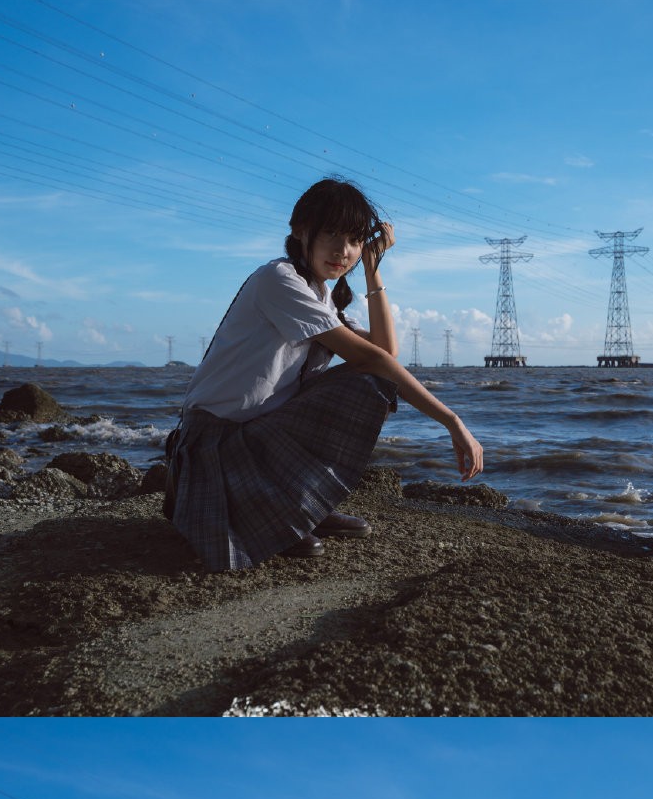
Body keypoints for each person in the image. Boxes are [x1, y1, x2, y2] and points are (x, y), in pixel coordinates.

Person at [164, 176, 483, 571]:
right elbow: (374, 359)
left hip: (254, 433)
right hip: (214, 444)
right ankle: (281, 510)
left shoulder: (320, 293)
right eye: (330, 233)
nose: (342, 250)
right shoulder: (279, 280)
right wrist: (451, 420)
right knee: (370, 374)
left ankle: (297, 504)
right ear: (300, 231)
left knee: (371, 380)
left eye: (353, 239)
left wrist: (372, 267)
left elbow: (386, 350)